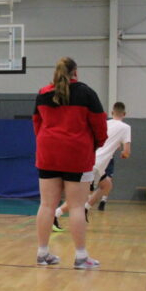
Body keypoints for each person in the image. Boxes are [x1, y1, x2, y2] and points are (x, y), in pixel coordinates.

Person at [33, 57, 107, 269]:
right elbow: (100, 125)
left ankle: (42, 253)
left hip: (48, 153)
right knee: (76, 206)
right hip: (77, 154)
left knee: (46, 205)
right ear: (76, 72)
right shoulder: (87, 93)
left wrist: (47, 143)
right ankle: (81, 257)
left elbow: (37, 123)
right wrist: (95, 144)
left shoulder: (43, 93)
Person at [88, 102, 132, 211]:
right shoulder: (126, 127)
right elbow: (126, 152)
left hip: (94, 160)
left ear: (112, 112)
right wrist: (124, 154)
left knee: (107, 185)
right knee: (82, 195)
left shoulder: (105, 124)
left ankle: (85, 209)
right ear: (124, 114)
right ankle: (57, 214)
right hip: (97, 162)